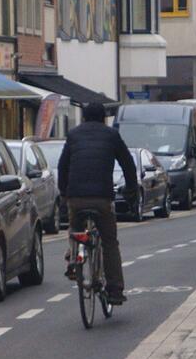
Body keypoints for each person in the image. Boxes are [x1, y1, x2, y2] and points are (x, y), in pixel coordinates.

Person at [57, 103, 138, 305]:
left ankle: (74, 256)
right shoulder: (111, 135)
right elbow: (128, 164)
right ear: (104, 118)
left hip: (76, 197)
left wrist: (64, 193)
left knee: (75, 228)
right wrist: (131, 191)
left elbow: (62, 166)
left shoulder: (73, 135)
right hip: (102, 198)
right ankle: (115, 290)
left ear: (83, 118)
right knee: (110, 242)